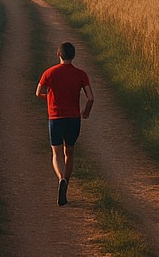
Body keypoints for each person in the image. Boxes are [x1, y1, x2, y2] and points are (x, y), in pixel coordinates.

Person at [36, 41, 94, 206]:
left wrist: (51, 98)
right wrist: (86, 112)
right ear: (73, 56)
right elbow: (90, 97)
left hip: (55, 118)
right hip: (73, 119)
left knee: (56, 154)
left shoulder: (49, 73)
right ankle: (66, 183)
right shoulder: (81, 74)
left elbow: (38, 92)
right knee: (70, 152)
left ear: (58, 54)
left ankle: (61, 178)